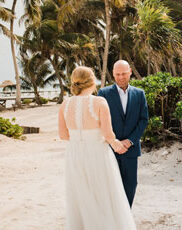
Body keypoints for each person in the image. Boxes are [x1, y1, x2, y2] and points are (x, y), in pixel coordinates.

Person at [58, 66, 136, 229]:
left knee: (80, 195)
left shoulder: (65, 104)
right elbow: (108, 135)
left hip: (74, 154)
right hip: (97, 153)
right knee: (102, 195)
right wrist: (117, 145)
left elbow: (63, 135)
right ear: (92, 81)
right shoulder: (99, 102)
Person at [98, 60, 148, 207]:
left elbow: (143, 120)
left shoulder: (139, 94)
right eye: (118, 74)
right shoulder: (103, 93)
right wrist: (114, 143)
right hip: (110, 149)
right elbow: (100, 122)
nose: (121, 77)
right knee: (111, 187)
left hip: (131, 150)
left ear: (130, 72)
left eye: (124, 73)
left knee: (131, 186)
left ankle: (126, 217)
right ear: (113, 74)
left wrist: (130, 141)